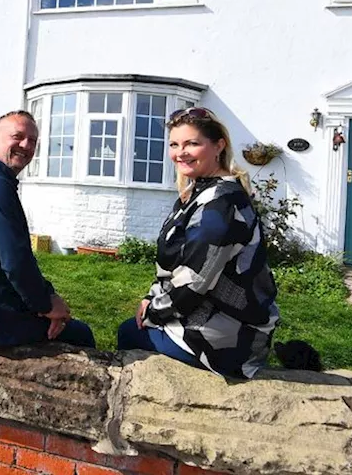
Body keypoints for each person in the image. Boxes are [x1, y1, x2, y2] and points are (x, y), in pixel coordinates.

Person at [117, 107, 279, 378]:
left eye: (192, 143)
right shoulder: (196, 193)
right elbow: (173, 265)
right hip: (202, 313)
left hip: (226, 336)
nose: (180, 152)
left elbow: (194, 281)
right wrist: (151, 297)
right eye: (174, 144)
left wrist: (152, 312)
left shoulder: (221, 203)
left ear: (219, 146)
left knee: (129, 333)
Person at [0, 110, 95, 349]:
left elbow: (14, 260)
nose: (26, 145)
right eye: (17, 136)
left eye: (32, 140)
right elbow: (16, 262)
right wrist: (47, 306)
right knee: (81, 335)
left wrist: (47, 296)